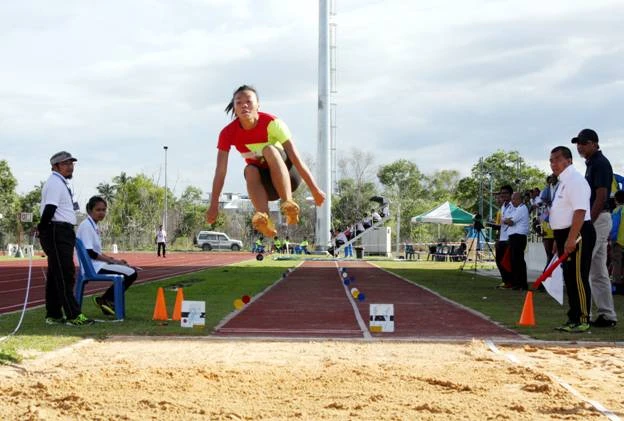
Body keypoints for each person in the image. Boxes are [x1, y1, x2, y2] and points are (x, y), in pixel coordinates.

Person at [205, 85, 325, 238]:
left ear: (258, 105)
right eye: (239, 103)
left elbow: (296, 158)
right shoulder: (228, 133)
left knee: (269, 150)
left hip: (289, 176)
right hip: (267, 186)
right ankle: (264, 218)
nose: (244, 105)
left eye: (248, 101)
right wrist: (214, 204)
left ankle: (288, 203)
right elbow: (220, 171)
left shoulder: (272, 123)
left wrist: (314, 190)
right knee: (250, 169)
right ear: (234, 108)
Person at [37, 151, 93, 326]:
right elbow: (50, 209)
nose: (70, 166)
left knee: (56, 275)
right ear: (55, 166)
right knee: (65, 274)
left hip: (62, 231)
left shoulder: (60, 183)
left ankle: (53, 314)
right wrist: (42, 228)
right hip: (57, 231)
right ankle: (73, 315)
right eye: (65, 163)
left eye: (71, 163)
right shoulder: (54, 183)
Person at [572, 128, 617, 327]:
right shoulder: (593, 163)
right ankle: (607, 315)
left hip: (598, 218)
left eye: (583, 143)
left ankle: (584, 313)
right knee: (598, 270)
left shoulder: (599, 163)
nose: (579, 147)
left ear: (594, 143)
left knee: (585, 264)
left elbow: (601, 195)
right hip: (598, 217)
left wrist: (588, 220)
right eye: (578, 143)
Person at [549, 146, 596, 333]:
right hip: (564, 234)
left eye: (557, 159)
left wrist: (571, 237)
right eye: (551, 160)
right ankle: (573, 317)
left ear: (568, 160)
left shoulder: (576, 180)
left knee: (578, 277)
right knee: (569, 278)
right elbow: (562, 212)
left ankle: (583, 318)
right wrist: (557, 239)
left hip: (578, 232)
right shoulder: (562, 182)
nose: (553, 164)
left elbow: (580, 211)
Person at [76, 196, 138, 316]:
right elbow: (91, 253)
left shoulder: (93, 225)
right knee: (131, 273)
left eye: (104, 210)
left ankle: (106, 300)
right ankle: (106, 300)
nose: (101, 213)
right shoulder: (86, 226)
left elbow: (96, 251)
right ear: (89, 210)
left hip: (95, 264)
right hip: (92, 267)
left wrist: (114, 260)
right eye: (98, 210)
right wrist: (113, 262)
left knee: (129, 270)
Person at [503, 192, 529, 290]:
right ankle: (517, 283)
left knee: (518, 261)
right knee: (514, 261)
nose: (512, 201)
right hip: (514, 236)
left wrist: (505, 220)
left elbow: (510, 221)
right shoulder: (518, 209)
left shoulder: (522, 209)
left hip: (518, 236)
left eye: (514, 199)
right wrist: (506, 219)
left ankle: (522, 284)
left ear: (519, 199)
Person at [493, 185, 514, 289]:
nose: (503, 195)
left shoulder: (513, 205)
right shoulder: (503, 206)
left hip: (509, 238)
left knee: (507, 261)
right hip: (502, 237)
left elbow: (511, 221)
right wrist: (497, 238)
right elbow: (500, 224)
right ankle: (505, 281)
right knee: (499, 260)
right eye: (502, 193)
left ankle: (510, 282)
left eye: (505, 193)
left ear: (511, 194)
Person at [610, 190, 624, 293]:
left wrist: (612, 239)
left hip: (618, 241)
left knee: (617, 263)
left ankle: (616, 285)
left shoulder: (616, 211)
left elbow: (614, 227)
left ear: (616, 200)